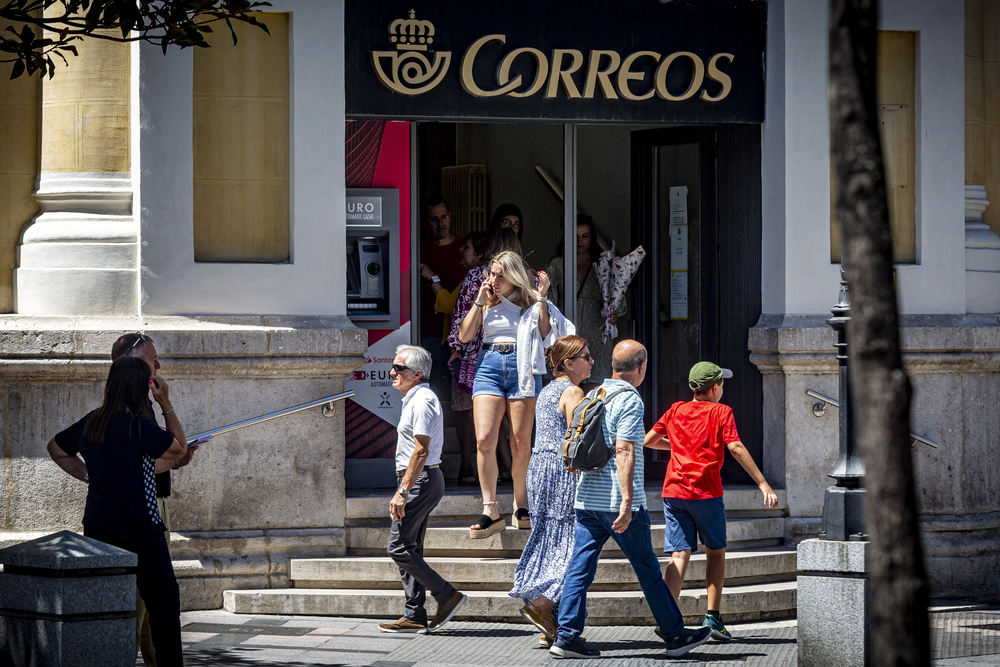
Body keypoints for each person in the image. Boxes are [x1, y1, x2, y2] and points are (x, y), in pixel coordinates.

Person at [551, 340, 711, 659]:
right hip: (618, 502)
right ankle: (675, 635)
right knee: (648, 568)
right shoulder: (630, 400)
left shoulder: (595, 394)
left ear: (613, 365)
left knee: (579, 567)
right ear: (641, 368)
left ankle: (566, 636)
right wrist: (627, 500)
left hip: (587, 499)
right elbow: (624, 449)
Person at [46, 356, 189, 666]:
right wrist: (166, 404)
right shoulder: (138, 426)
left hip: (99, 530)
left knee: (104, 605)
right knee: (164, 602)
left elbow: (56, 448)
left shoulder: (91, 422)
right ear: (141, 389)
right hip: (142, 529)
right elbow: (180, 447)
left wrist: (89, 475)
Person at [644, 361, 778, 642]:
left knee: (678, 555)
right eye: (722, 385)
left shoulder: (676, 409)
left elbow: (650, 440)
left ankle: (668, 620)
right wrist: (762, 483)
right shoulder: (721, 411)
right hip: (706, 492)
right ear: (714, 388)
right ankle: (713, 618)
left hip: (675, 492)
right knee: (715, 552)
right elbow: (736, 447)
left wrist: (680, 446)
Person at [458, 250, 573, 539]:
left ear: (513, 277)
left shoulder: (532, 302)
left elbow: (549, 336)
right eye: (492, 274)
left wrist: (542, 298)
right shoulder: (486, 302)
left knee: (521, 443)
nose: (493, 280)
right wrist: (478, 301)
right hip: (489, 365)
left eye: (500, 275)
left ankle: (521, 505)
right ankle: (490, 508)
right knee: (484, 439)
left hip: (522, 366)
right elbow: (464, 335)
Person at [111, 332, 195, 666]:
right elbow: (128, 463)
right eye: (151, 358)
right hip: (137, 512)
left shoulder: (143, 402)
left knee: (151, 607)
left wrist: (178, 456)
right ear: (131, 363)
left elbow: (169, 451)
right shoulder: (123, 407)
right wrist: (176, 455)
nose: (158, 364)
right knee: (143, 600)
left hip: (154, 505)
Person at [509, 335, 592, 646]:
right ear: (568, 364)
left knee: (549, 537)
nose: (591, 361)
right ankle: (543, 607)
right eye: (586, 356)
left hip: (540, 467)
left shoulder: (546, 390)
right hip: (562, 468)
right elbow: (577, 438)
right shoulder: (572, 391)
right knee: (570, 543)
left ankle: (551, 621)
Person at [379, 345, 467, 633]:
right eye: (393, 367)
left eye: (399, 368)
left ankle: (446, 594)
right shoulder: (415, 398)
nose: (392, 372)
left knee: (398, 546)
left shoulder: (423, 400)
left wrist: (403, 490)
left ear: (417, 374)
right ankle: (415, 613)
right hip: (419, 479)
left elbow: (421, 450)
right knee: (410, 547)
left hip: (420, 480)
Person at [447, 229, 523, 485]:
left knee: (476, 417)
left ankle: (469, 466)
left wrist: (455, 347)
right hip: (498, 355)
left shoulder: (476, 277)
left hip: (477, 355)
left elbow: (459, 313)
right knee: (500, 424)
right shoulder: (522, 280)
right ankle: (506, 468)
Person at [546, 215, 622, 385]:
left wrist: (613, 313)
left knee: (595, 389)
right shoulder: (558, 264)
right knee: (566, 387)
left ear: (592, 238)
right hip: (566, 335)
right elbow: (547, 302)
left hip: (597, 333)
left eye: (585, 236)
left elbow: (620, 304)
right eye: (575, 236)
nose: (580, 241)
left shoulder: (602, 264)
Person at [419, 197, 466, 398]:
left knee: (460, 395)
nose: (440, 224)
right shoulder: (419, 249)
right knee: (431, 388)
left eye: (444, 217)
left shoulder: (465, 248)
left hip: (461, 333)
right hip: (430, 330)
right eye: (434, 219)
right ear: (425, 222)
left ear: (451, 217)